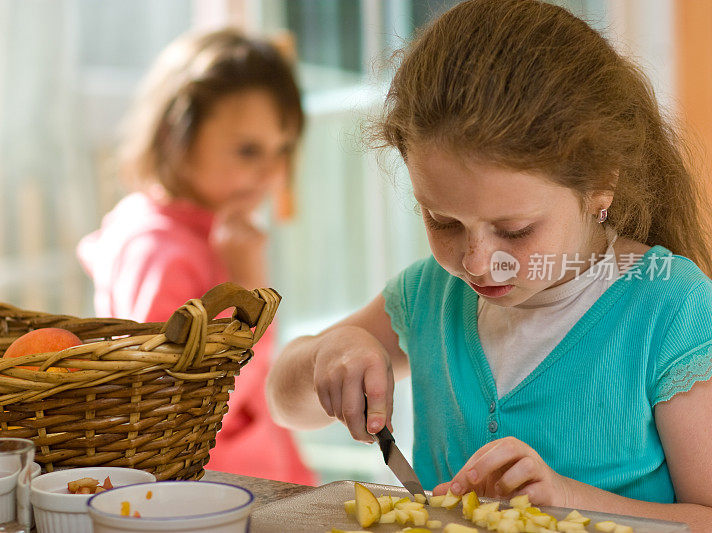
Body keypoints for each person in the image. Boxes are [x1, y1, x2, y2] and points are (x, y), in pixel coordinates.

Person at [265, 0, 712, 526]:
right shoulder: (429, 296)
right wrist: (329, 353)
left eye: (515, 230)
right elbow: (284, 403)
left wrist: (571, 500)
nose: (477, 263)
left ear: (599, 186)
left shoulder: (669, 307)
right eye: (443, 222)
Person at [78, 29, 315, 485]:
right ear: (175, 138)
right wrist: (248, 296)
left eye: (282, 148)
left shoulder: (215, 232)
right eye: (248, 150)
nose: (272, 172)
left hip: (250, 487)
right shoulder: (157, 252)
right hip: (206, 499)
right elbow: (172, 409)